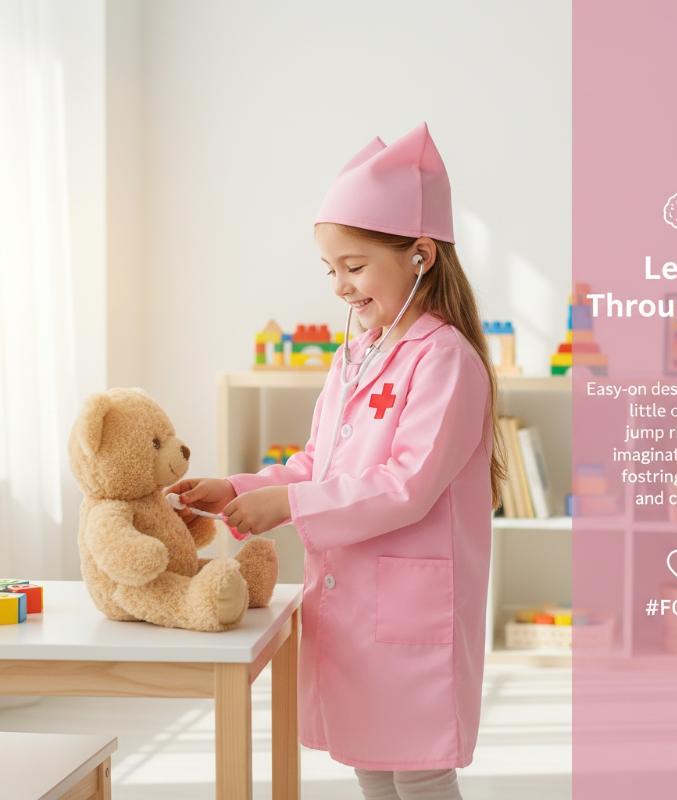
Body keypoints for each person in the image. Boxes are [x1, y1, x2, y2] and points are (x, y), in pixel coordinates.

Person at [165, 121, 507, 800]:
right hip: (356, 605)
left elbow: (406, 484)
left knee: (419, 768)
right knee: (369, 759)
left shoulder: (445, 359)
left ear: (420, 255)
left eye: (354, 267)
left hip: (411, 608)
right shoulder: (356, 356)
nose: (340, 287)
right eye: (331, 270)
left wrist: (289, 505)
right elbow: (319, 463)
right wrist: (236, 488)